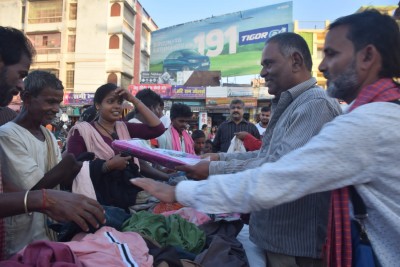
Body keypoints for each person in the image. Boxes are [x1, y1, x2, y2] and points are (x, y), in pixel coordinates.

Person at [132, 10, 400, 267]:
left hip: (297, 247)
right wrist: (217, 160)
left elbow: (278, 177)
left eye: (332, 54)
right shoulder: (365, 112)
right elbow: (269, 158)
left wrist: (182, 191)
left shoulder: (353, 118)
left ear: (367, 57)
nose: (322, 66)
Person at [0, 70, 105, 258]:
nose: (56, 109)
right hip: (21, 237)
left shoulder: (47, 134)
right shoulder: (8, 135)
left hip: (48, 230)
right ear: (27, 98)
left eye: (58, 102)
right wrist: (68, 164)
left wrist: (74, 166)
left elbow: (57, 177)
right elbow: (33, 191)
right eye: (50, 102)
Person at [66, 83, 164, 181]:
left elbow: (158, 129)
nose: (117, 106)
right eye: (110, 101)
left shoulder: (124, 127)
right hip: (94, 194)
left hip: (126, 192)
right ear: (97, 105)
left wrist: (133, 100)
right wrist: (107, 166)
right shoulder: (82, 132)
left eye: (120, 102)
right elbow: (71, 168)